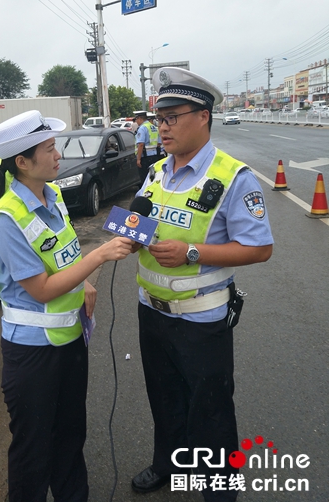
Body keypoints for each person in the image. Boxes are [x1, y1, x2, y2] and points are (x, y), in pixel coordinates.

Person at [131, 67, 274, 501]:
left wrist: (193, 252)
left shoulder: (235, 178)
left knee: (210, 411)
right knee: (164, 398)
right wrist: (126, 230)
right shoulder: (157, 172)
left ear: (204, 116)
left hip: (200, 319)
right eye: (160, 118)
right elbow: (140, 218)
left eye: (173, 116)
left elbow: (259, 248)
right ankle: (167, 465)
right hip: (150, 312)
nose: (164, 126)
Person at [0, 110, 133, 502]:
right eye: (50, 149)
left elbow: (64, 254)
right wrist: (97, 258)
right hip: (32, 354)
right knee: (33, 450)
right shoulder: (6, 219)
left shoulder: (54, 194)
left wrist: (83, 283)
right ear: (22, 162)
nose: (58, 155)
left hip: (70, 340)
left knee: (69, 436)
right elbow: (42, 289)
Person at [134, 109, 162, 181]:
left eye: (136, 119)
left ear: (140, 118)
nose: (136, 121)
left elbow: (140, 144)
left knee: (145, 180)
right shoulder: (153, 127)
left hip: (145, 158)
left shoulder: (142, 128)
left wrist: (138, 159)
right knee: (155, 178)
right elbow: (159, 143)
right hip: (156, 156)